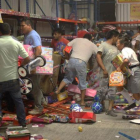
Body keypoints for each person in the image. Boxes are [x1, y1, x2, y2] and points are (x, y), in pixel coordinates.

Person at [0, 23, 30, 127]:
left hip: (0, 79)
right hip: (13, 78)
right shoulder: (16, 43)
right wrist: (21, 67)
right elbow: (27, 58)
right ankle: (23, 123)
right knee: (18, 101)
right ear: (10, 32)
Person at [55, 34, 98, 106]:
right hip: (81, 62)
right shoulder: (92, 44)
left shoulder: (76, 40)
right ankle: (82, 101)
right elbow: (98, 55)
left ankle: (57, 90)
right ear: (90, 39)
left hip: (71, 60)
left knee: (67, 78)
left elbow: (66, 48)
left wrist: (67, 57)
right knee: (82, 82)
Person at [20, 17, 47, 115]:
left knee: (35, 86)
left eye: (23, 25)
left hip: (33, 66)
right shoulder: (27, 35)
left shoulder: (33, 35)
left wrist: (34, 66)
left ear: (29, 25)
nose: (21, 27)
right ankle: (42, 102)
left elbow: (38, 50)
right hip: (29, 65)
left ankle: (38, 107)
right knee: (35, 86)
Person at [96, 30, 120, 117]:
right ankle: (100, 106)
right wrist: (104, 69)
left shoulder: (115, 48)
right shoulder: (103, 45)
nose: (117, 39)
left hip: (114, 74)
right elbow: (98, 56)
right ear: (113, 36)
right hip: (105, 73)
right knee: (102, 91)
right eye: (117, 37)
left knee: (113, 91)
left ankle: (110, 109)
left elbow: (117, 61)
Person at [116, 37, 140, 109]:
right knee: (130, 90)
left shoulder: (125, 50)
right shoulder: (128, 49)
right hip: (131, 71)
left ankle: (137, 106)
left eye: (118, 43)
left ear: (122, 44)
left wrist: (120, 67)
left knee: (135, 92)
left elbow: (126, 60)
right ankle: (133, 104)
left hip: (134, 71)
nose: (117, 45)